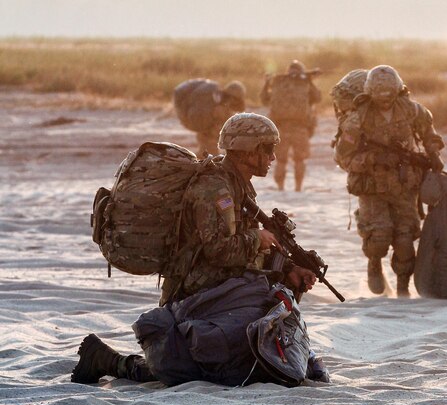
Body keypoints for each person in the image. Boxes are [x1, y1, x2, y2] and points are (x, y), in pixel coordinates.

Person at [71, 113, 328, 386]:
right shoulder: (215, 189)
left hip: (220, 288)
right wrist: (258, 238)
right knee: (200, 369)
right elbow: (219, 250)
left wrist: (288, 268)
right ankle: (108, 361)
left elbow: (235, 250)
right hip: (197, 294)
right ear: (247, 150)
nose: (272, 157)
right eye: (267, 149)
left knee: (264, 320)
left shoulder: (236, 185)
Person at [334, 65, 445, 298]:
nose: (385, 101)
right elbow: (343, 157)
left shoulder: (412, 111)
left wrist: (433, 155)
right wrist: (373, 159)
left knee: (406, 239)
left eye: (390, 96)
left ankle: (403, 287)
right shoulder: (357, 118)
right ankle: (374, 263)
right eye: (380, 96)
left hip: (405, 186)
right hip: (372, 187)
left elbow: (429, 134)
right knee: (379, 236)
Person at [260, 60, 321, 192]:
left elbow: (264, 99)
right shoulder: (304, 84)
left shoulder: (279, 83)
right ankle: (298, 188)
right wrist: (309, 81)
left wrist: (266, 83)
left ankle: (280, 187)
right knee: (300, 160)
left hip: (280, 128)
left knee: (281, 160)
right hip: (300, 128)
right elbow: (317, 98)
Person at [194, 80, 247, 158]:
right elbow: (216, 127)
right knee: (209, 161)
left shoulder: (225, 107)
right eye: (235, 98)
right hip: (208, 139)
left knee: (204, 158)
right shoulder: (220, 108)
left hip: (209, 140)